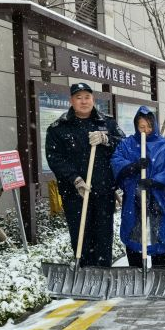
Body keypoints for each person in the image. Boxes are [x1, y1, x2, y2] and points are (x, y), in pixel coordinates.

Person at [45, 83, 124, 267]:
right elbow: (54, 158)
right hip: (75, 193)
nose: (83, 101)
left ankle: (104, 272)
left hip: (104, 191)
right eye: (78, 97)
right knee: (81, 234)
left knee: (103, 234)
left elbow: (125, 145)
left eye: (87, 97)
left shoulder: (107, 123)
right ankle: (86, 273)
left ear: (93, 99)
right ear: (71, 101)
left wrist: (106, 139)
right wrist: (75, 179)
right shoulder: (59, 127)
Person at [111, 106, 165, 267]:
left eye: (149, 126)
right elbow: (116, 161)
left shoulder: (164, 145)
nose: (146, 130)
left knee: (160, 236)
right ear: (136, 127)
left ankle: (161, 273)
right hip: (134, 200)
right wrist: (133, 167)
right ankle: (137, 272)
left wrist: (155, 181)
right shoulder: (128, 144)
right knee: (135, 235)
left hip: (157, 200)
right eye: (142, 127)